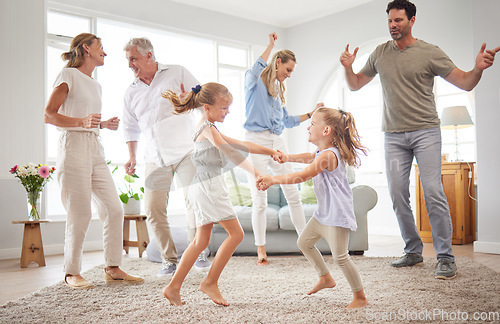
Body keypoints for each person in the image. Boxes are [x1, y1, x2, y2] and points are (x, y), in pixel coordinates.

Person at [340, 0, 500, 279]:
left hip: (425, 131)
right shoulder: (379, 54)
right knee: (397, 194)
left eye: (399, 20)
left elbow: (464, 82)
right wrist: (347, 67)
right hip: (392, 135)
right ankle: (413, 250)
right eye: (390, 21)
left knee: (433, 192)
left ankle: (445, 257)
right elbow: (354, 85)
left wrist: (478, 69)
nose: (393, 25)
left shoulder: (429, 52)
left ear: (412, 21)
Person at [162, 83, 284, 306]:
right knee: (235, 234)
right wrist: (256, 172)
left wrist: (270, 151)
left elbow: (241, 144)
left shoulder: (209, 127)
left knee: (201, 241)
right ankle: (210, 282)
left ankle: (173, 287)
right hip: (209, 187)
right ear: (207, 107)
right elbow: (228, 150)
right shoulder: (207, 129)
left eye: (228, 108)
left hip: (202, 185)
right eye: (223, 108)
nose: (227, 112)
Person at [44, 33, 143, 289]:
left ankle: (112, 267)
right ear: (86, 48)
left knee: (113, 208)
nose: (105, 53)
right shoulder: (68, 75)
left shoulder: (95, 84)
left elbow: (85, 117)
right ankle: (71, 272)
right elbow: (49, 114)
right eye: (101, 48)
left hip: (94, 147)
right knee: (80, 213)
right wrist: (82, 122)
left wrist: (103, 124)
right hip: (73, 146)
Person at [257, 107, 368, 309]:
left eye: (313, 124)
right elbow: (309, 158)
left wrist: (274, 179)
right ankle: (325, 277)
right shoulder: (320, 152)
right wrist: (287, 157)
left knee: (341, 258)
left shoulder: (328, 156)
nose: (308, 127)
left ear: (326, 131)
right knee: (304, 243)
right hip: (323, 213)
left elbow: (303, 175)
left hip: (337, 213)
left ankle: (360, 297)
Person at [122, 37, 210, 276]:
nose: (130, 64)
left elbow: (203, 100)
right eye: (128, 59)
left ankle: (200, 252)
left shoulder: (177, 72)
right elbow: (130, 128)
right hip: (155, 158)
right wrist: (132, 156)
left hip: (185, 151)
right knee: (153, 208)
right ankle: (168, 259)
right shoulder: (131, 92)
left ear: (148, 55)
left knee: (195, 202)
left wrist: (189, 101)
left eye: (133, 58)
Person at [244, 32, 323, 265]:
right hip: (255, 141)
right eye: (287, 70)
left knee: (293, 194)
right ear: (277, 63)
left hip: (277, 141)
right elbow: (255, 68)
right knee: (259, 198)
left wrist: (313, 113)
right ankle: (261, 249)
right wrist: (270, 46)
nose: (288, 76)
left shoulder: (278, 91)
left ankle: (305, 243)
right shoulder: (254, 82)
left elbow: (287, 121)